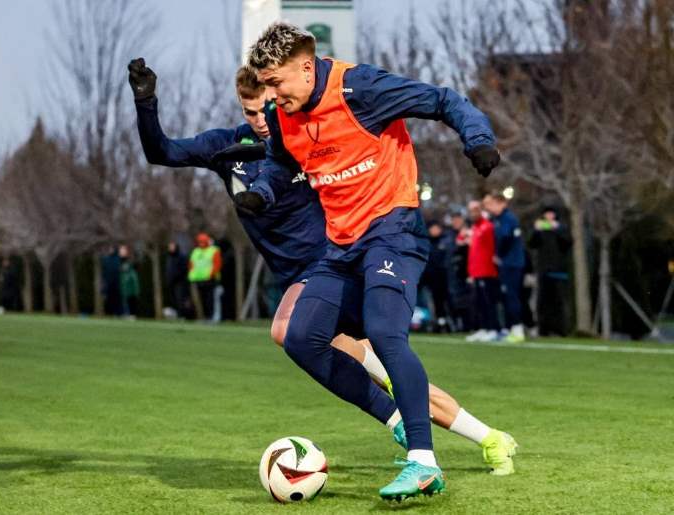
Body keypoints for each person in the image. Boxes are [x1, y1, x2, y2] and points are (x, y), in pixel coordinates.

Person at [130, 52, 516, 490]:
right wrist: (146, 103)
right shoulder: (230, 148)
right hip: (306, 275)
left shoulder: (299, 135)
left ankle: (403, 427)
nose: (261, 118)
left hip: (332, 264)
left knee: (291, 331)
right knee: (383, 368)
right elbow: (160, 151)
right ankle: (488, 437)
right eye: (251, 111)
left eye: (269, 105)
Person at [237, 22, 503, 499]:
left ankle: (424, 463)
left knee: (383, 332)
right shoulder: (281, 115)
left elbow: (444, 100)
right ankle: (397, 419)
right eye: (264, 86)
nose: (270, 96)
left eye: (275, 83)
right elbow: (281, 162)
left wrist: (477, 139)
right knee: (300, 338)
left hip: (392, 234)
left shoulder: (360, 88)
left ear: (305, 67)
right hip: (340, 247)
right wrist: (262, 191)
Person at [483, 192, 526, 342]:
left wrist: (499, 255)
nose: (490, 207)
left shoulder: (508, 218)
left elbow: (506, 238)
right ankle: (510, 328)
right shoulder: (498, 219)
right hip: (507, 263)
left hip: (512, 263)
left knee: (512, 295)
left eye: (493, 204)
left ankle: (518, 329)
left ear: (502, 203)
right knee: (506, 296)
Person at [528, 206, 572, 336]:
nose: (549, 217)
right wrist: (536, 230)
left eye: (551, 214)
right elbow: (531, 243)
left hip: (559, 271)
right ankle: (544, 329)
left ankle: (560, 329)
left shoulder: (562, 229)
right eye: (546, 214)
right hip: (543, 270)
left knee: (558, 301)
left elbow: (567, 243)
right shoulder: (540, 231)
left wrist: (557, 229)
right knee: (543, 302)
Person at [466, 200, 502, 342]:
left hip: (487, 271)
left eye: (475, 210)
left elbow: (493, 248)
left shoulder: (487, 227)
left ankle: (493, 328)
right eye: (471, 211)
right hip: (476, 271)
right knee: (479, 301)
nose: (473, 214)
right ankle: (484, 327)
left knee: (489, 301)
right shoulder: (475, 228)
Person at [423, 220, 454, 332]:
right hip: (431, 279)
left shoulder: (446, 241)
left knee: (447, 301)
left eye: (436, 228)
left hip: (445, 278)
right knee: (435, 302)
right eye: (433, 228)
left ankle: (452, 322)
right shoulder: (426, 243)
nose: (435, 231)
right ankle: (439, 323)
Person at [187, 233, 222, 321]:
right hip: (197, 279)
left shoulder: (214, 251)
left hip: (210, 279)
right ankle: (204, 316)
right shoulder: (196, 251)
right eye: (200, 241)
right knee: (201, 300)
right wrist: (192, 274)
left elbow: (217, 264)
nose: (201, 243)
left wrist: (211, 274)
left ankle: (211, 317)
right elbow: (191, 264)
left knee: (210, 299)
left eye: (203, 241)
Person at [164, 242, 191, 318]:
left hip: (180, 282)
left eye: (172, 247)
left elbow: (184, 269)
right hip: (171, 282)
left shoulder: (181, 256)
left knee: (181, 299)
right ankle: (177, 314)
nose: (171, 248)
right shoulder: (169, 257)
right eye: (170, 247)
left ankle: (183, 315)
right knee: (174, 299)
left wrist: (177, 276)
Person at [118, 244, 140, 319]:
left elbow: (133, 273)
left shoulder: (130, 261)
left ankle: (132, 314)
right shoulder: (120, 261)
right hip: (123, 284)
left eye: (123, 251)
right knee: (124, 299)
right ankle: (126, 313)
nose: (121, 252)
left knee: (131, 299)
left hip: (130, 284)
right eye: (121, 251)